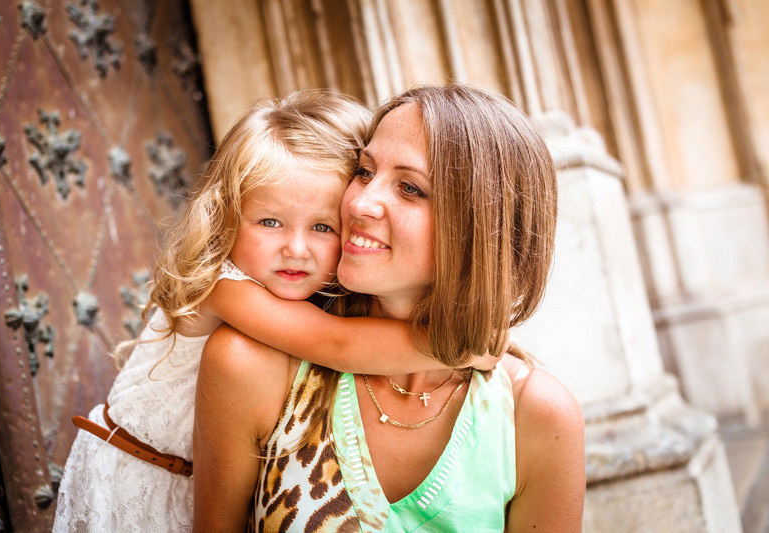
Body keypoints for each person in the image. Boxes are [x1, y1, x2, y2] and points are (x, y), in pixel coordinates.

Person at [53, 90, 490, 533]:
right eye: (269, 222)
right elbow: (335, 344)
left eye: (322, 227)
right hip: (134, 477)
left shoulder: (298, 292)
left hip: (188, 480)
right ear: (226, 215)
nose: (295, 250)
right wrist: (460, 347)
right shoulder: (223, 286)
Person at [194, 84, 586, 532]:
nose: (358, 202)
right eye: (364, 171)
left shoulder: (535, 418)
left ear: (482, 231)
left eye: (410, 188)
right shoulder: (253, 365)